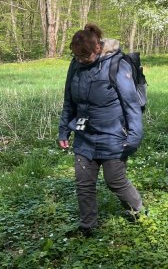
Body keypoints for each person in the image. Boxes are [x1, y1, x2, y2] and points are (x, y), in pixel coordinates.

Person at [58, 24, 145, 236]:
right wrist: (63, 130)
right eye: (76, 56)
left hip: (113, 134)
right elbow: (69, 100)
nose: (79, 60)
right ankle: (88, 227)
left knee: (115, 180)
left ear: (97, 48)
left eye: (84, 56)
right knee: (83, 183)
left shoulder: (116, 65)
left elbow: (131, 104)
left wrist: (134, 137)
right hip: (84, 134)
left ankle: (139, 214)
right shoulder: (76, 64)